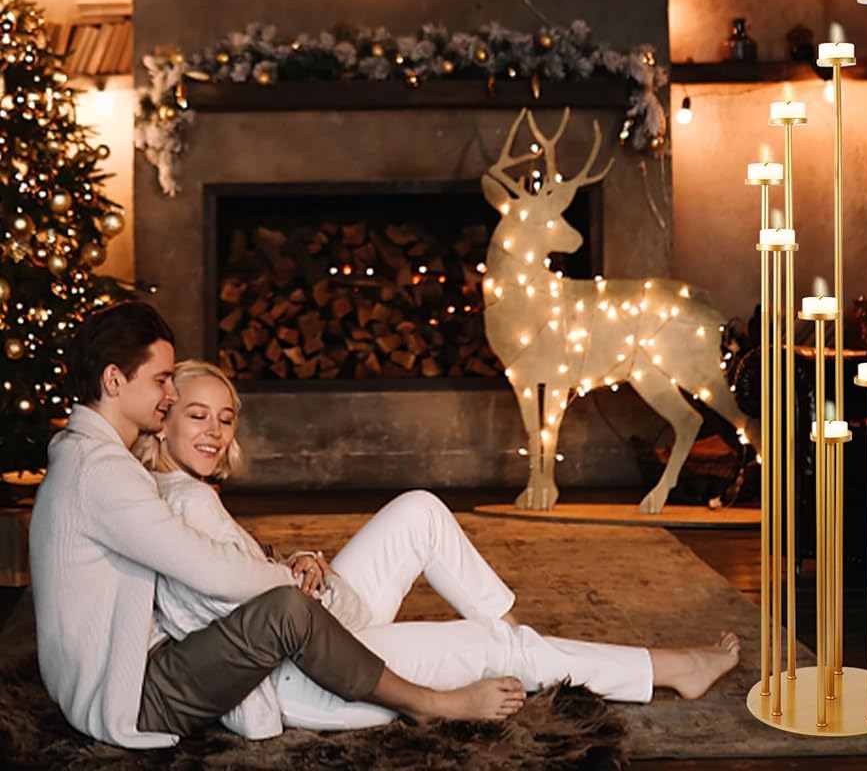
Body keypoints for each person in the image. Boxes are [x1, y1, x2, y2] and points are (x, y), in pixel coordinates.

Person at [132, 356, 743, 738]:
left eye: (225, 418)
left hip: (311, 633)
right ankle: (669, 669)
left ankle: (522, 643)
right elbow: (240, 624)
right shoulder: (183, 504)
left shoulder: (182, 493)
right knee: (490, 646)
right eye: (197, 416)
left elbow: (238, 585)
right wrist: (293, 581)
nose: (215, 432)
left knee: (420, 511)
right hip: (303, 676)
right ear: (163, 421)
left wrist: (293, 565)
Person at [28, 301, 525, 750]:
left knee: (319, 581)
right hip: (134, 695)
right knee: (286, 609)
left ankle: (510, 640)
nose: (170, 393)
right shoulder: (103, 474)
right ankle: (429, 704)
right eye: (161, 381)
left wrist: (285, 564)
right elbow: (216, 574)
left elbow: (207, 559)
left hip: (124, 675)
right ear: (114, 381)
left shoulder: (88, 458)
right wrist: (289, 580)